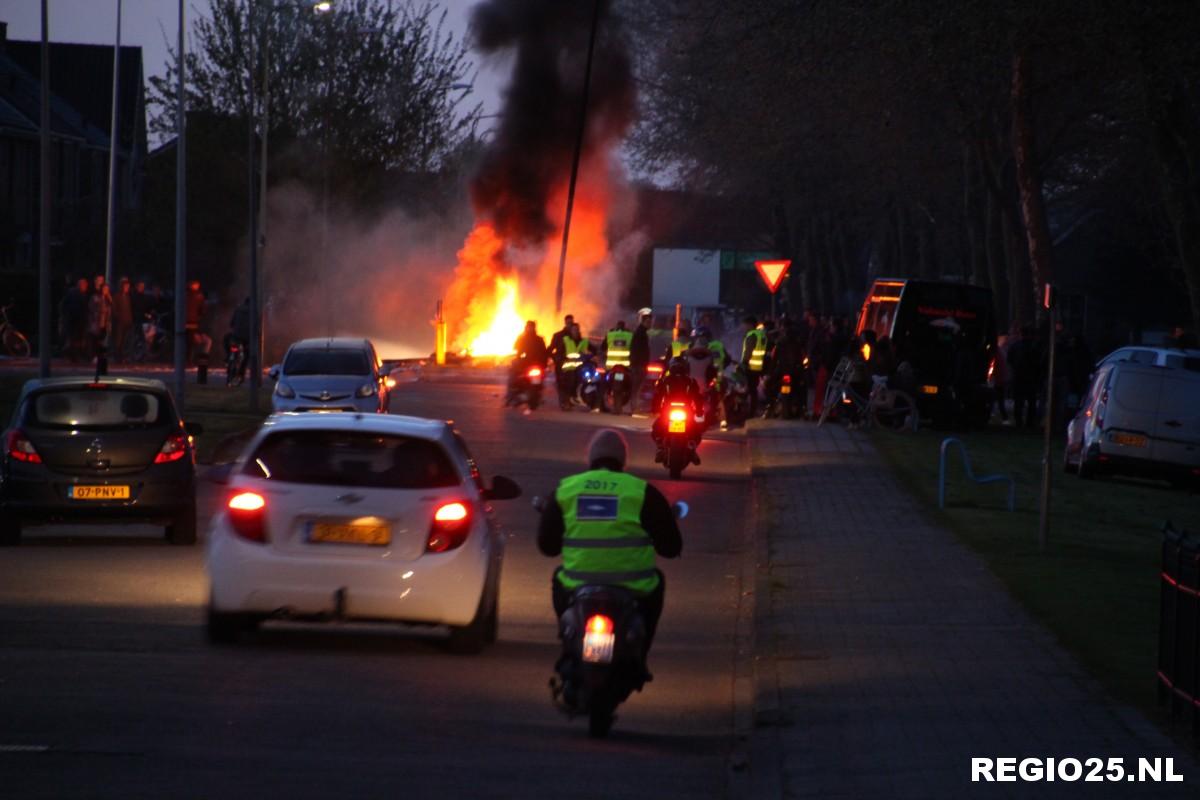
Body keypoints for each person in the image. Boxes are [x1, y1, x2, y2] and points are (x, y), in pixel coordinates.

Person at [537, 429, 682, 674]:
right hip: (633, 588)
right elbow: (670, 548)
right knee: (657, 585)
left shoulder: (567, 489)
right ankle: (640, 657)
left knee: (557, 580)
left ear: (590, 458)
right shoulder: (641, 491)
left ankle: (569, 640)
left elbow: (547, 546)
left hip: (577, 585)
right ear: (623, 460)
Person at [650, 357, 705, 464]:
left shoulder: (687, 381)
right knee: (657, 428)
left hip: (678, 413)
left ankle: (690, 448)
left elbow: (697, 398)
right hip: (672, 412)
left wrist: (699, 411)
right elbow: (658, 396)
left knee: (695, 431)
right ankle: (662, 447)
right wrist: (699, 411)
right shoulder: (668, 381)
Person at [1006, 325, 1042, 429]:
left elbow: (1010, 360)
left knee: (1019, 402)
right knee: (1031, 401)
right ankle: (1029, 422)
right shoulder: (1034, 346)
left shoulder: (1016, 346)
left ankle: (1019, 422)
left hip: (1019, 377)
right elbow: (1038, 361)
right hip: (1030, 377)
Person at [740, 316, 767, 416]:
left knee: (751, 390)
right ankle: (752, 409)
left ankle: (751, 412)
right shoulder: (761, 334)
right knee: (753, 390)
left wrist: (744, 363)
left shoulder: (751, 335)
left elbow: (748, 351)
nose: (743, 327)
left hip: (751, 366)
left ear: (750, 325)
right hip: (759, 366)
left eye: (745, 324)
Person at [60, 277, 90, 362]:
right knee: (74, 339)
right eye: (84, 285)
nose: (85, 287)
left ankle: (74, 355)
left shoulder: (82, 294)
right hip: (74, 319)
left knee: (76, 339)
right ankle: (73, 356)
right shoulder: (74, 294)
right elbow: (64, 305)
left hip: (78, 320)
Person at [548, 314, 576, 406]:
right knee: (561, 383)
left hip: (572, 364)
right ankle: (564, 402)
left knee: (571, 383)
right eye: (568, 323)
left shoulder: (575, 336)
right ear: (565, 323)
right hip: (560, 363)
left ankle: (569, 400)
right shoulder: (558, 335)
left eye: (571, 323)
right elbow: (550, 349)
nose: (570, 324)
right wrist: (555, 358)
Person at [628, 309, 652, 413]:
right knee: (636, 387)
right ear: (643, 321)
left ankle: (634, 407)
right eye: (648, 322)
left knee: (636, 387)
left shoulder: (640, 332)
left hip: (638, 364)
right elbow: (638, 350)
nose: (649, 324)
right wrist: (639, 364)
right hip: (639, 365)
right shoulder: (641, 333)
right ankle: (634, 407)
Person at [88, 275, 113, 361]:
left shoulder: (108, 299)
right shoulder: (95, 297)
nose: (106, 291)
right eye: (104, 289)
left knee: (102, 339)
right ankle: (94, 356)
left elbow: (111, 309)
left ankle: (100, 355)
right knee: (96, 339)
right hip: (97, 322)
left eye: (107, 289)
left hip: (105, 322)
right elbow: (91, 308)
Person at [112, 277, 134, 363]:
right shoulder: (117, 296)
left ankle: (123, 356)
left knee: (125, 341)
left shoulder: (128, 297)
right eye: (125, 286)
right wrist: (118, 318)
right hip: (119, 322)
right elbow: (114, 310)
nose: (127, 288)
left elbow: (129, 309)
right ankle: (117, 357)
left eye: (128, 286)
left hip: (127, 322)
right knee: (118, 340)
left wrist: (130, 319)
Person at [185, 280, 206, 365]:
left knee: (186, 342)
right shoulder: (199, 296)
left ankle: (186, 360)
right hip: (193, 322)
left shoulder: (184, 295)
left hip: (183, 322)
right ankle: (190, 360)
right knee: (191, 343)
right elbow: (203, 310)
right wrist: (199, 317)